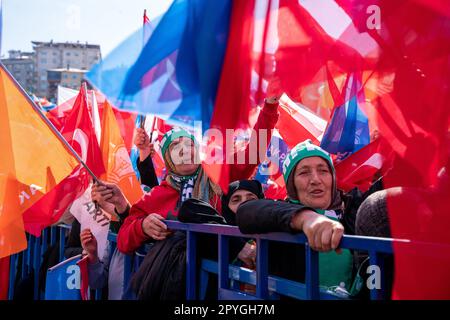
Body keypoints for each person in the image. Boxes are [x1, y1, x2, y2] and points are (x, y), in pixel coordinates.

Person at [116, 97, 280, 254]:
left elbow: (254, 152)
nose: (184, 150)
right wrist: (143, 226)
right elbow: (123, 238)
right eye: (175, 146)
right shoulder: (157, 195)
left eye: (190, 144)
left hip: (219, 275)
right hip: (180, 278)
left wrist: (270, 106)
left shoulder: (218, 175)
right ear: (167, 159)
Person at [236, 139, 384, 294]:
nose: (315, 180)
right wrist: (306, 218)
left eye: (323, 171)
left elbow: (394, 179)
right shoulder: (281, 214)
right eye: (304, 172)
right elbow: (246, 211)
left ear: (333, 178)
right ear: (291, 184)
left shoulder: (353, 207)